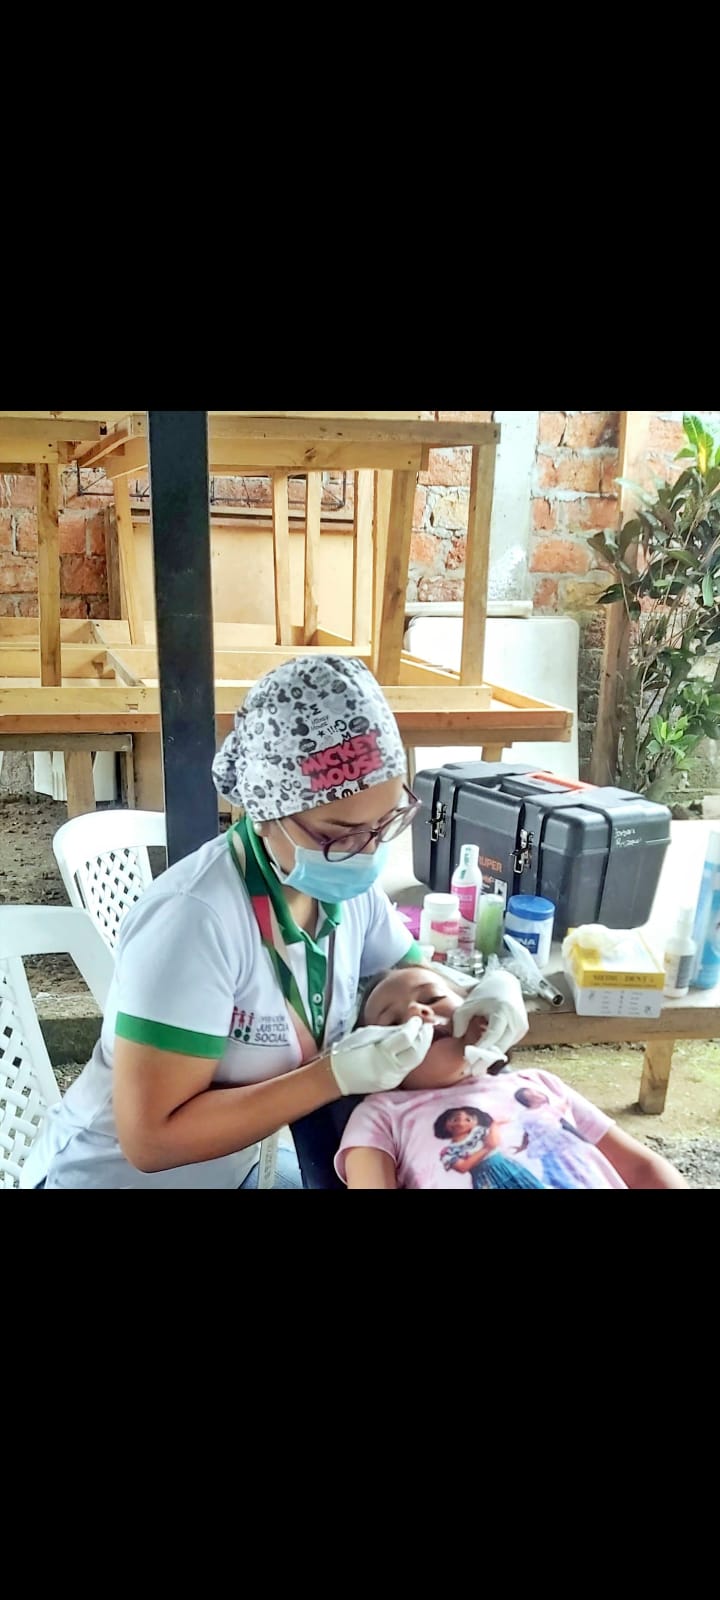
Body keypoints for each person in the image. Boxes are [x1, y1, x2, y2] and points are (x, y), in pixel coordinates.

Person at [22, 656, 445, 1190]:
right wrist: (331, 1075)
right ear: (266, 813)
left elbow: (407, 977)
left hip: (234, 1167)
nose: (367, 851)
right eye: (339, 834)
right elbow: (149, 1141)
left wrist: (468, 999)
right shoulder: (194, 921)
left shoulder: (346, 887)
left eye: (386, 823)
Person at [334, 966, 689, 1189]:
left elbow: (643, 1169)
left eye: (433, 996)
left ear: (479, 1007)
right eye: (393, 1023)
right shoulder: (381, 1114)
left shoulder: (538, 1083)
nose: (417, 1011)